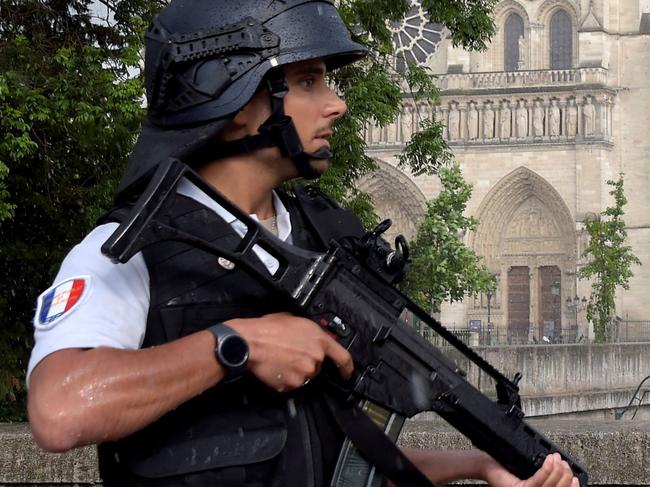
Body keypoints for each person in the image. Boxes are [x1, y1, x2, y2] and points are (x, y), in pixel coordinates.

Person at [26, 1, 580, 486]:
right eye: (310, 81)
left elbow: (334, 459)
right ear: (240, 103)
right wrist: (235, 344)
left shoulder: (323, 240)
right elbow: (60, 410)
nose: (336, 104)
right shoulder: (131, 249)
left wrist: (480, 465)